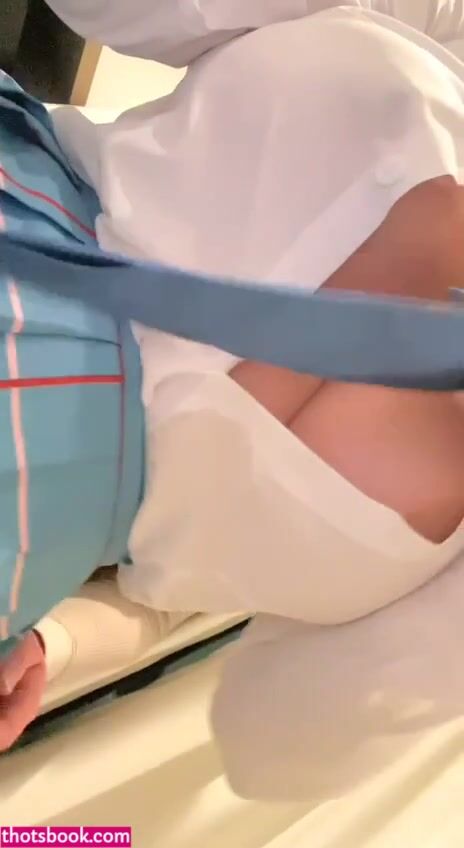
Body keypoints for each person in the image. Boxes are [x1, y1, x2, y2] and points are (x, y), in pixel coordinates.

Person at [1, 0, 464, 799]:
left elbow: (262, 726)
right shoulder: (427, 41)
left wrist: (64, 640)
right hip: (32, 194)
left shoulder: (434, 605)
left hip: (34, 513)